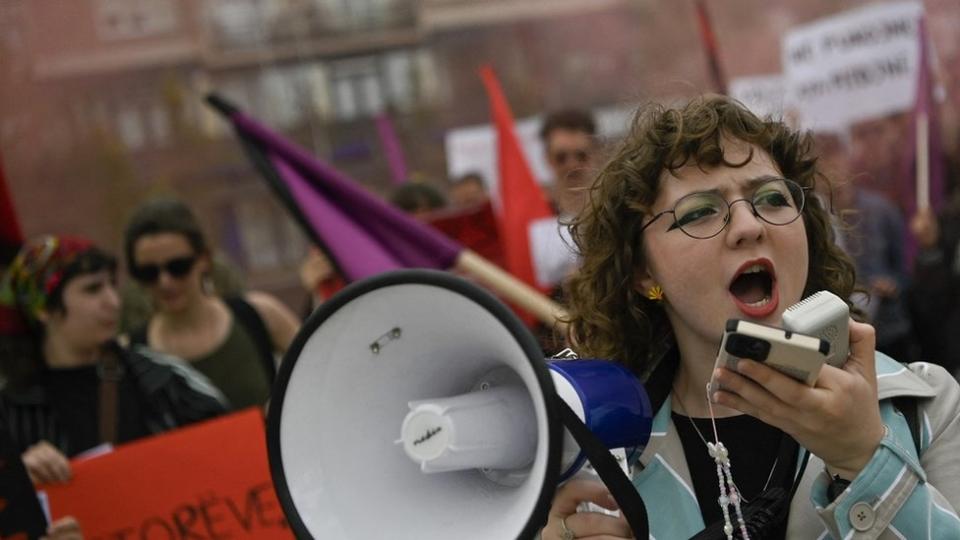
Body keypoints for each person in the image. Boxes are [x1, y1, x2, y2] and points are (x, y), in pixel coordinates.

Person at [544, 96, 960, 539]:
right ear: (644, 272)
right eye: (700, 212)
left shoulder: (926, 407)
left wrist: (863, 459)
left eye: (772, 198)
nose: (749, 226)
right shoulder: (601, 461)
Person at [0, 235, 228, 478]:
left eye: (112, 285)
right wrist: (18, 476)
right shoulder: (12, 406)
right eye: (93, 289)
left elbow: (232, 439)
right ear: (43, 309)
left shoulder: (159, 376)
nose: (113, 301)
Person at [123, 199, 300, 410]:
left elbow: (320, 373)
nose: (165, 282)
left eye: (178, 267)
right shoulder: (130, 354)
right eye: (148, 273)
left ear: (204, 260)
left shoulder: (261, 314)